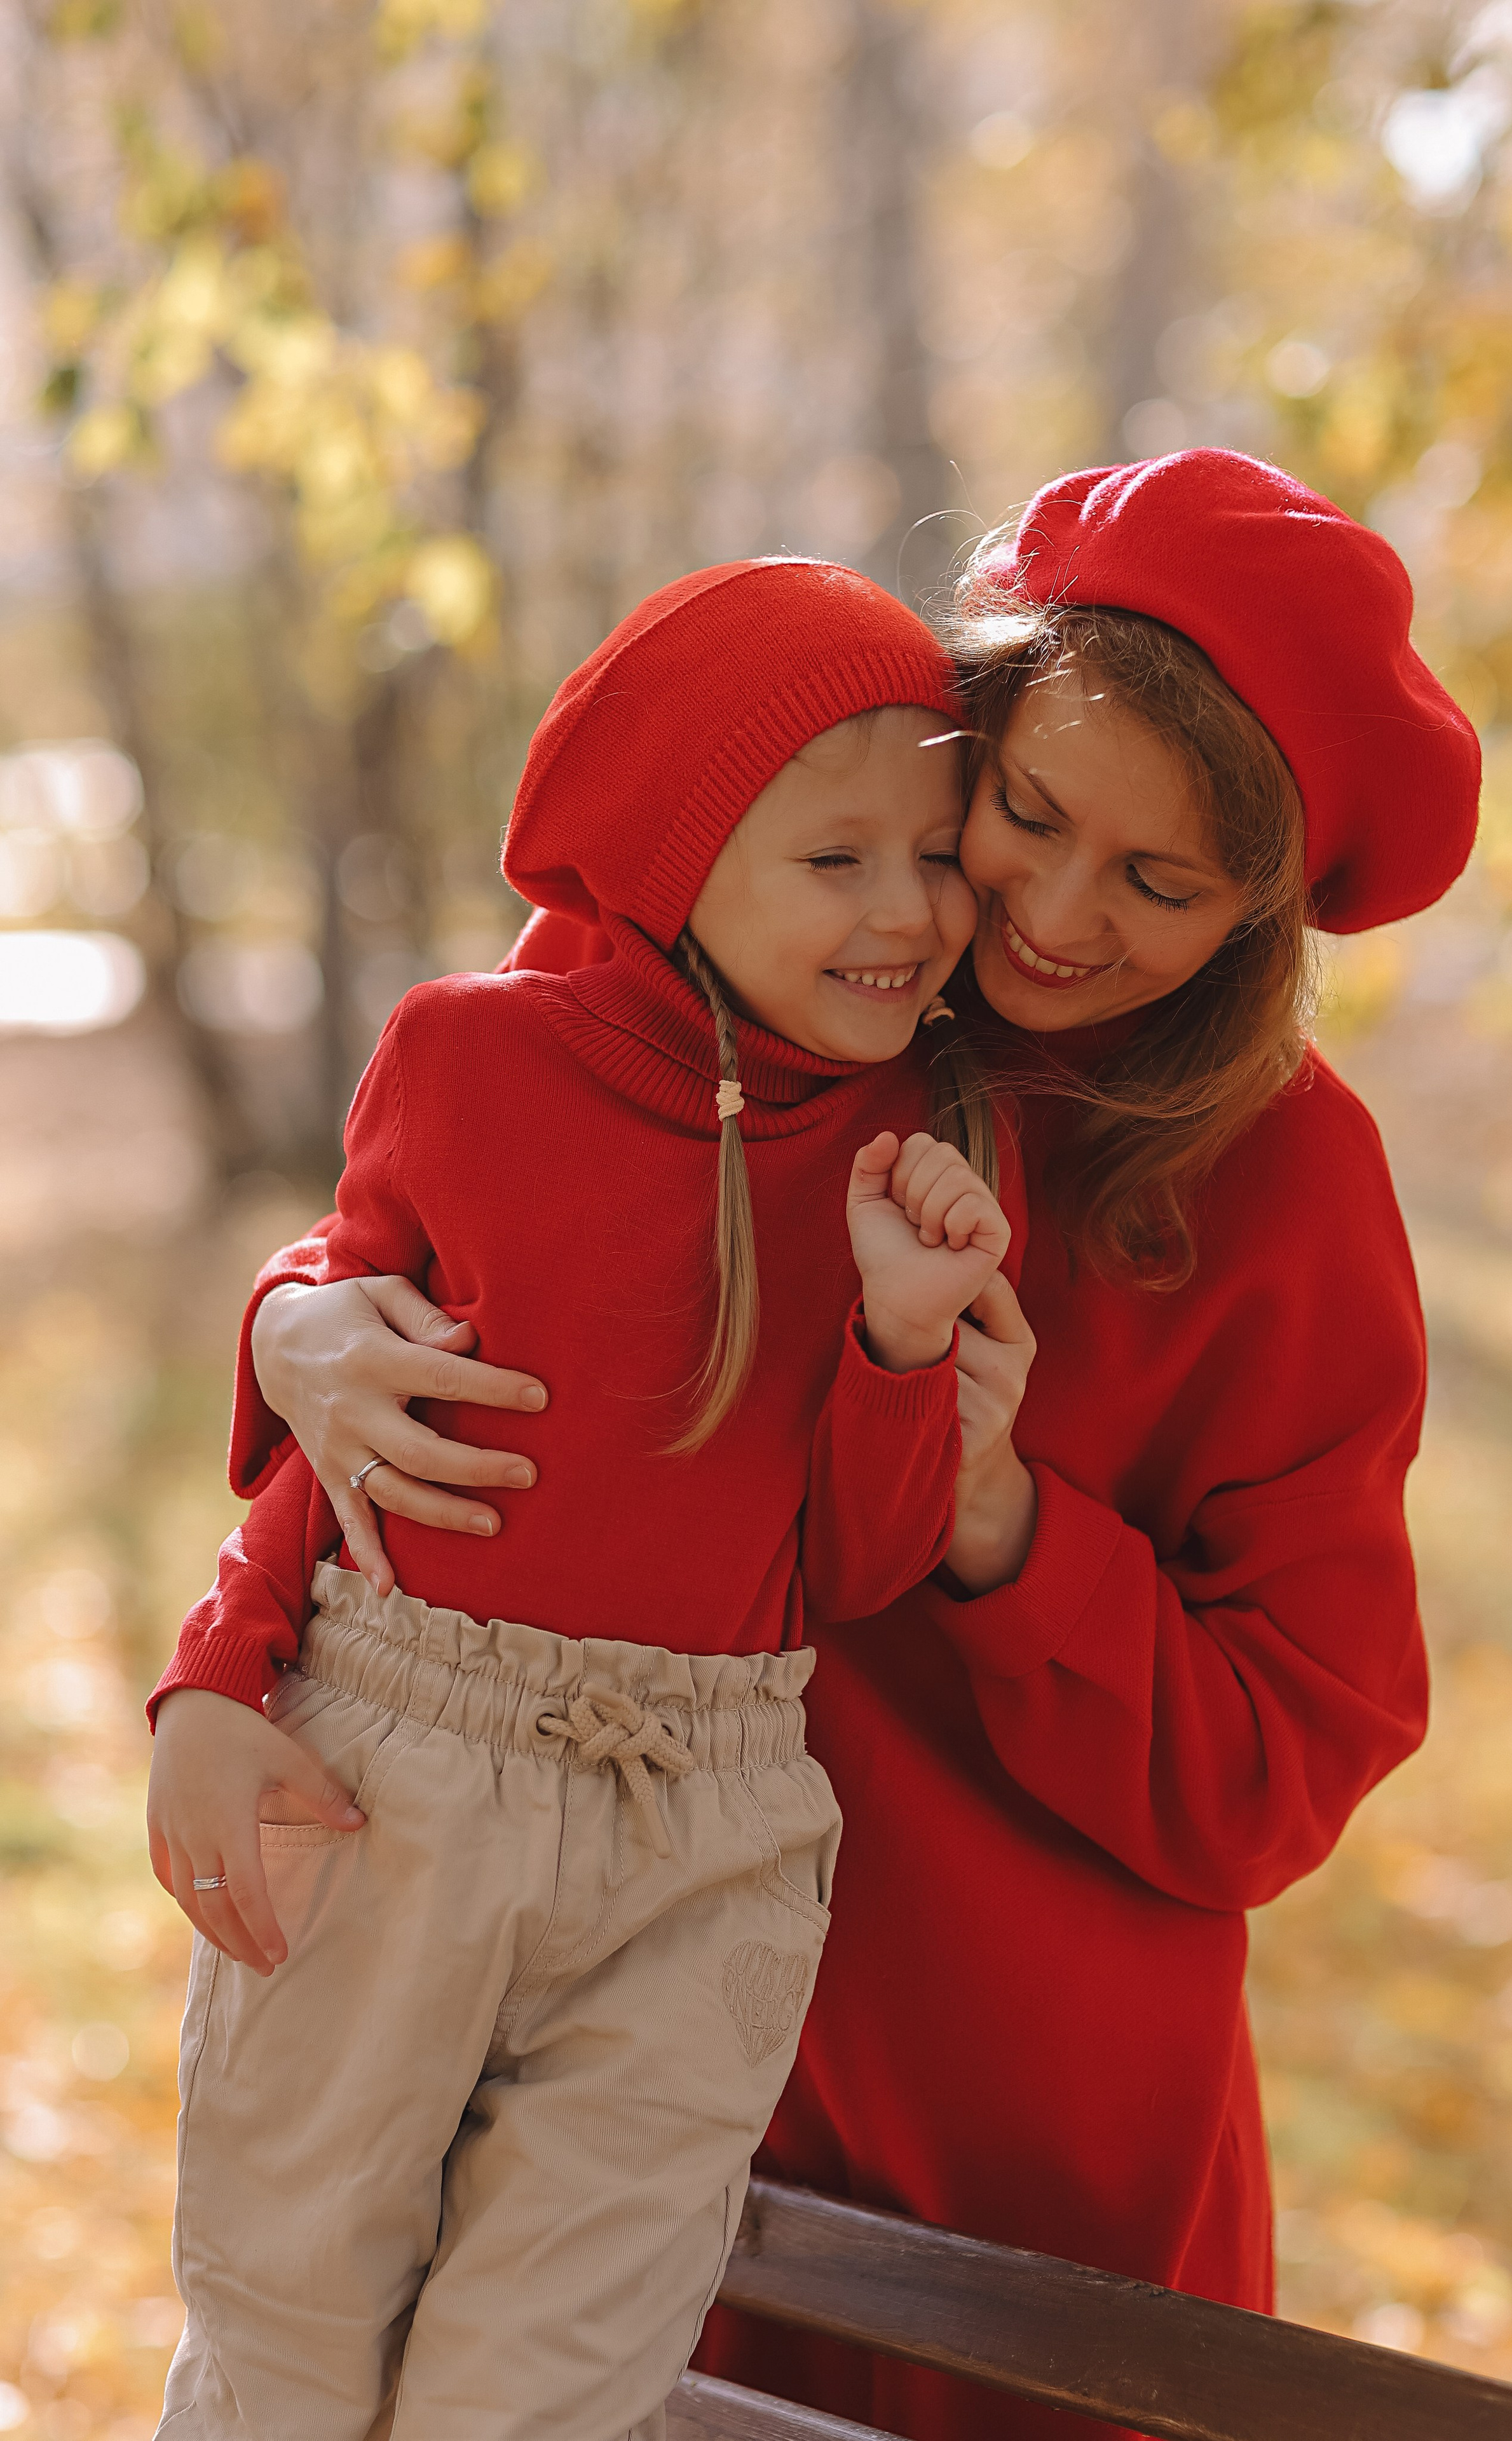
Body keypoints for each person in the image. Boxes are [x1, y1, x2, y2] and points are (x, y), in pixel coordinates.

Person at [224, 452, 1481, 2441]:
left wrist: (1002, 1528)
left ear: (1263, 909)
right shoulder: (735, 948)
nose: (1054, 921)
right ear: (962, 732)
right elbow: (446, 1187)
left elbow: (1282, 1768)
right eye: (1032, 819)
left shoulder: (1289, 1181)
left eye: (1158, 886)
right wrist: (299, 1320)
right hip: (566, 2000)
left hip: (1006, 2138)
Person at [144, 556, 1025, 2441]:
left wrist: (901, 1337)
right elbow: (358, 1398)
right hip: (392, 1768)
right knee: (280, 2326)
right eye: (836, 859)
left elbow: (853, 1571)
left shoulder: (919, 1143)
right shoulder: (472, 1059)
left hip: (704, 1831)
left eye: (938, 851)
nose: (911, 913)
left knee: (542, 2390)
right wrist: (217, 1677)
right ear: (676, 848)